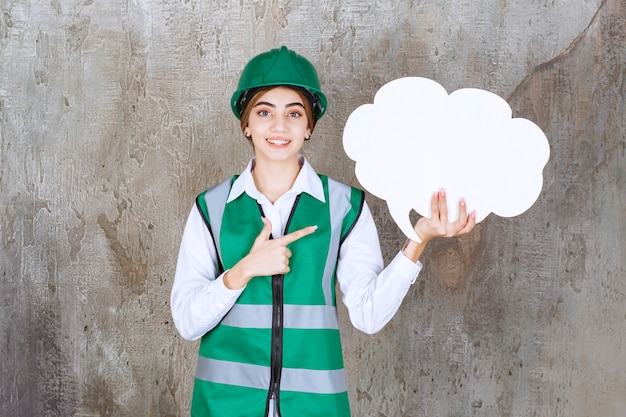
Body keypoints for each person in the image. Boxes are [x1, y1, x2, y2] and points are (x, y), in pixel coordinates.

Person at [171, 45, 476, 417]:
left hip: (315, 407)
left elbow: (367, 315)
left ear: (309, 126)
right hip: (223, 407)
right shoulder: (211, 208)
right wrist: (243, 270)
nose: (279, 127)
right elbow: (187, 322)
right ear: (246, 124)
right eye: (264, 112)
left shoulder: (345, 207)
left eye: (294, 113)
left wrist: (418, 239)